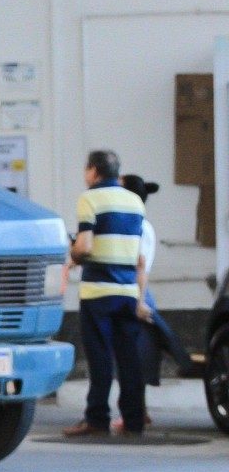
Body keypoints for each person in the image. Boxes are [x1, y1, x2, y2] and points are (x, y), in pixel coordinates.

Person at [64, 151, 151, 437]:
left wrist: (74, 252)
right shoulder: (135, 202)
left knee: (100, 357)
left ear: (94, 171)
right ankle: (134, 420)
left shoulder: (89, 199)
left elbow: (86, 246)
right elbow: (138, 256)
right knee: (129, 359)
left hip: (97, 291)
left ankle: (97, 419)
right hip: (127, 290)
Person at [114, 175, 198, 431]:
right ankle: (138, 412)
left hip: (137, 296)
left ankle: (136, 414)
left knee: (136, 357)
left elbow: (142, 267)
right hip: (132, 294)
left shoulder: (141, 227)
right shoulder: (132, 224)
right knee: (134, 356)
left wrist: (140, 302)